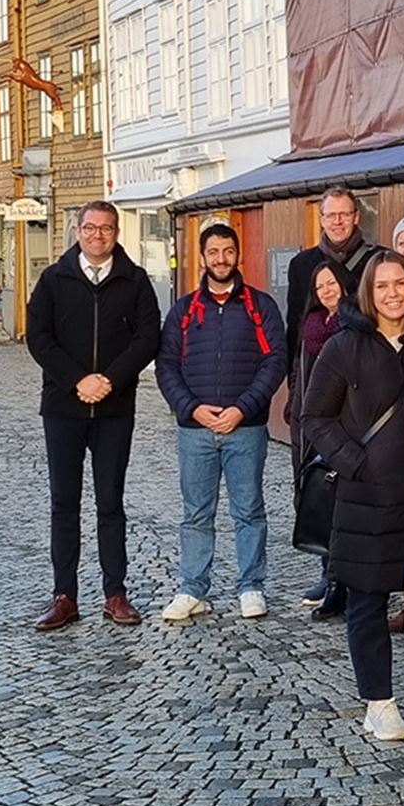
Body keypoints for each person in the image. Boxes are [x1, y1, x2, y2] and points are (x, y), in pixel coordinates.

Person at [300, 251, 404, 741]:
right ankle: (378, 701)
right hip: (365, 495)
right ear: (368, 292)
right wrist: (355, 463)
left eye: (400, 284)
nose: (392, 294)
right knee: (367, 600)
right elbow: (314, 418)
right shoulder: (344, 347)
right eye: (382, 286)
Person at [26, 202, 162, 631]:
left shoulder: (135, 280)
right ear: (77, 231)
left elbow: (147, 339)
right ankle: (64, 595)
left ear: (116, 232)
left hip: (114, 410)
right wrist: (76, 381)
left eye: (105, 228)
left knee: (110, 503)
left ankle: (115, 593)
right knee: (64, 503)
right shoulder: (53, 279)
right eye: (89, 228)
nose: (97, 235)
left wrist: (110, 380)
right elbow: (39, 339)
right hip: (64, 408)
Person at [156, 224, 288, 623]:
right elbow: (166, 366)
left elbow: (275, 361)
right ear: (202, 257)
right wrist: (191, 408)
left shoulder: (259, 306)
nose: (221, 259)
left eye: (228, 251)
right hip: (195, 430)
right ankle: (192, 588)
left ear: (238, 256)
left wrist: (242, 409)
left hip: (244, 428)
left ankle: (251, 586)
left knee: (249, 510)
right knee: (196, 513)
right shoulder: (183, 311)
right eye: (213, 252)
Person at [287, 261, 353, 615]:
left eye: (332, 284)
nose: (327, 290)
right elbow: (298, 370)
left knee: (341, 503)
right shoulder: (311, 325)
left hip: (339, 424)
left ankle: (343, 582)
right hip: (306, 423)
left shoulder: (353, 325)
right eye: (320, 286)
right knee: (316, 500)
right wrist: (294, 407)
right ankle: (326, 575)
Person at [285, 188, 379, 367]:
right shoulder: (301, 264)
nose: (337, 221)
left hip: (366, 367)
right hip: (315, 369)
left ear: (356, 217)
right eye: (331, 215)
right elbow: (295, 325)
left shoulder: (377, 260)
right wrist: (295, 376)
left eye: (344, 214)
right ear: (322, 220)